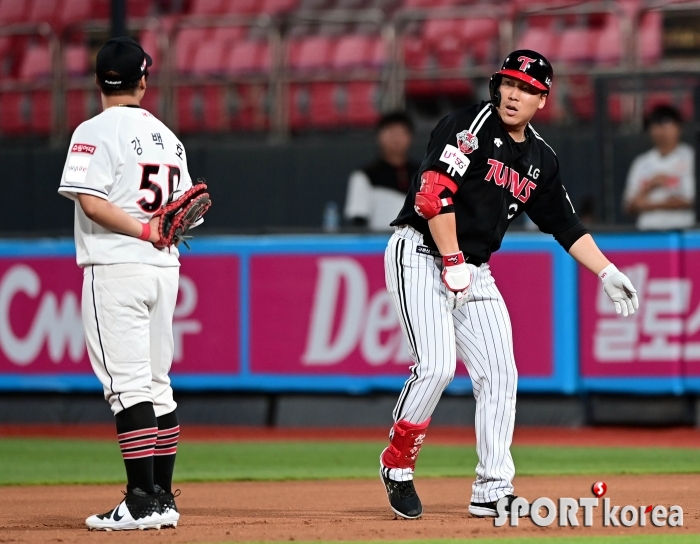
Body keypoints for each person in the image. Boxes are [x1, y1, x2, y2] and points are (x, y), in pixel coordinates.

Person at [379, 50, 639, 520]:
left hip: (474, 269)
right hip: (421, 252)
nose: (514, 94)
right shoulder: (469, 127)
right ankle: (397, 464)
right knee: (437, 366)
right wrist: (452, 259)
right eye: (509, 84)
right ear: (497, 85)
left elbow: (566, 225)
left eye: (527, 89)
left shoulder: (540, 158)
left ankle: (492, 489)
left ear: (543, 99)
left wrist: (605, 270)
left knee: (500, 374)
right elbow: (433, 194)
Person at [58, 37, 196, 531]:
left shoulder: (92, 131)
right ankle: (161, 499)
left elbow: (90, 202)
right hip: (164, 269)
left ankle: (139, 502)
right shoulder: (168, 137)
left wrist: (142, 229)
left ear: (97, 81)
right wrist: (157, 231)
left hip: (116, 267)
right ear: (143, 80)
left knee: (129, 387)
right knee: (158, 386)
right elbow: (183, 215)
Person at [344, 112, 420, 231]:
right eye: (391, 132)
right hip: (381, 245)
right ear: (379, 136)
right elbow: (358, 219)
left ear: (410, 137)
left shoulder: (424, 174)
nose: (396, 139)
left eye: (401, 132)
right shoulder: (364, 176)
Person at [623, 104, 695, 230]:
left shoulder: (691, 158)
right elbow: (629, 206)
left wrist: (648, 204)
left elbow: (691, 201)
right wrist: (651, 185)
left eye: (667, 124)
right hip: (648, 233)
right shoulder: (642, 162)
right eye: (656, 125)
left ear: (678, 127)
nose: (661, 131)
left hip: (683, 232)